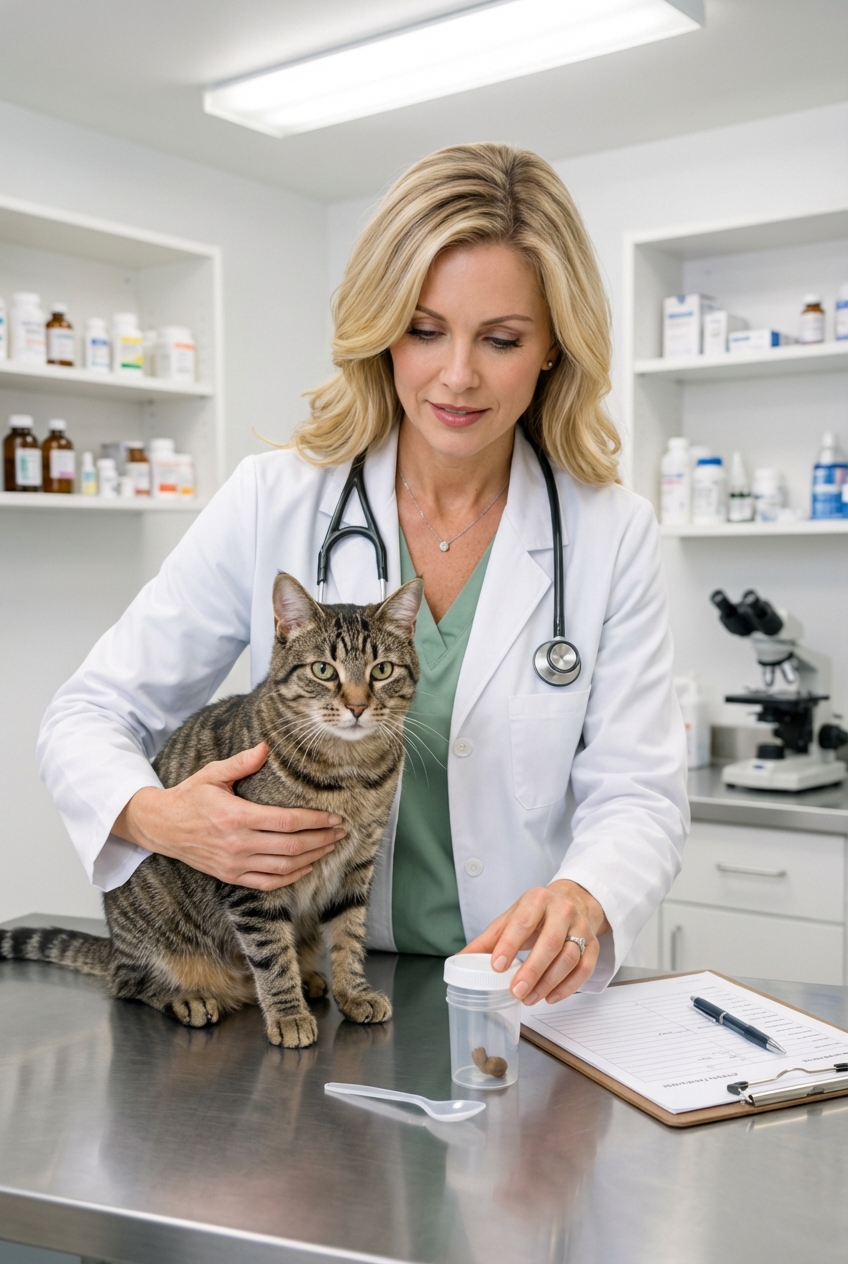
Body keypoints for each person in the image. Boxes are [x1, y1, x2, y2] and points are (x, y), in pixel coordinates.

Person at [38, 144, 688, 1008]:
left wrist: (588, 895)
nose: (458, 375)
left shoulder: (611, 534)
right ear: (381, 331)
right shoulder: (277, 497)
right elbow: (88, 714)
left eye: (500, 338)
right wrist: (159, 817)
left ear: (553, 350)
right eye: (424, 330)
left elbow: (639, 793)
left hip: (514, 996)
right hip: (325, 986)